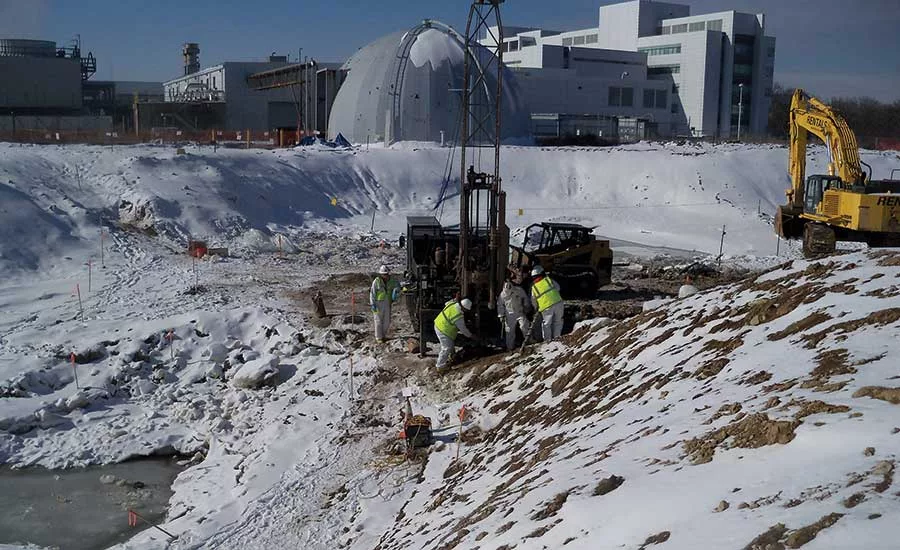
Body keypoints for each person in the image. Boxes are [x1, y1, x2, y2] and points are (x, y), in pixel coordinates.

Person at [433, 297, 474, 373]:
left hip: (439, 324)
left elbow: (447, 303)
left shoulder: (452, 304)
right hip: (443, 329)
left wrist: (455, 298)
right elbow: (464, 330)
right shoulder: (458, 316)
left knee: (450, 344)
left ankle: (451, 357)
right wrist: (471, 336)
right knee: (446, 348)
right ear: (464, 308)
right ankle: (440, 366)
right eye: (466, 310)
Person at [530, 265, 564, 341]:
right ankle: (557, 338)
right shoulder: (549, 280)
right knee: (558, 321)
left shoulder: (534, 287)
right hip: (558, 303)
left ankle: (547, 341)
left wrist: (535, 308)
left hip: (546, 307)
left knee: (546, 324)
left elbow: (533, 300)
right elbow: (558, 288)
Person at [497, 278, 531, 351]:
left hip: (520, 312)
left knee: (524, 326)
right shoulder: (502, 295)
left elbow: (525, 298)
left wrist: (526, 306)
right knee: (509, 331)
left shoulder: (519, 290)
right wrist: (501, 315)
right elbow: (500, 305)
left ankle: (529, 342)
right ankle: (510, 347)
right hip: (509, 314)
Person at [370, 265, 400, 343]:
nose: (385, 276)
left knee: (387, 321)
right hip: (378, 303)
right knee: (378, 321)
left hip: (387, 303)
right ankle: (378, 337)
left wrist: (396, 290)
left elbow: (398, 286)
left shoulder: (392, 281)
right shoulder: (377, 281)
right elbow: (372, 293)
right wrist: (372, 304)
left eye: (386, 274)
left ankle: (383, 335)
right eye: (383, 274)